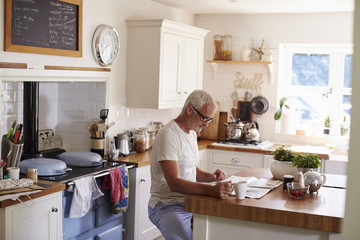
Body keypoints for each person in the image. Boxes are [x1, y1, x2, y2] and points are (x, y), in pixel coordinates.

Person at [148, 89, 233, 240]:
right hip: (167, 205)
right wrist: (211, 190)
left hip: (190, 202)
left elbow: (190, 170)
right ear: (189, 110)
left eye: (209, 120)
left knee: (220, 228)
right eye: (205, 118)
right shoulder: (168, 135)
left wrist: (212, 177)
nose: (207, 124)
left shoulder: (192, 133)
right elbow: (174, 183)